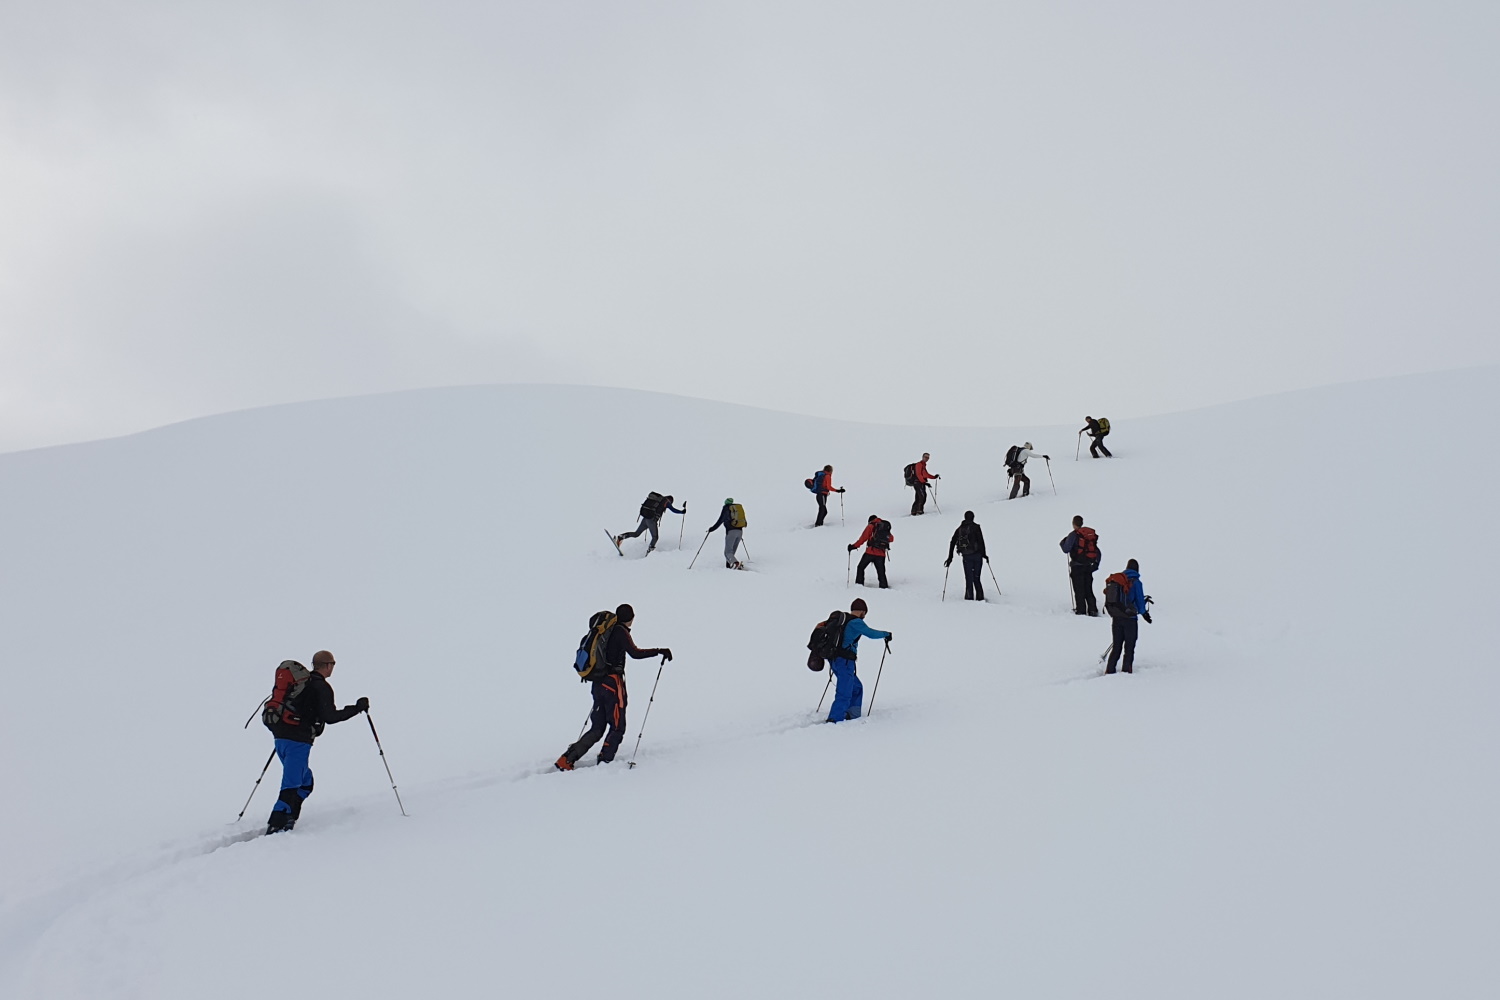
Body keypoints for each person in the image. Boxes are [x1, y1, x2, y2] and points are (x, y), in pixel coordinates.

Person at [556, 604, 672, 770]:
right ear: (631, 619)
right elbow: (635, 653)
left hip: (598, 683)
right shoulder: (620, 632)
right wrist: (659, 651)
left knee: (597, 727)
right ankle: (605, 763)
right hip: (612, 684)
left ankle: (566, 759)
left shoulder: (607, 631)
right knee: (618, 726)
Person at [266, 650, 368, 834]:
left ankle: (289, 818)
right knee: (292, 784)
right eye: (333, 664)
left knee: (306, 782)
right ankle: (276, 825)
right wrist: (357, 708)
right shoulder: (321, 687)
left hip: (281, 736)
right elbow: (330, 716)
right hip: (298, 740)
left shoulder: (302, 684)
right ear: (328, 665)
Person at [826, 597, 891, 723]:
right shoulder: (856, 622)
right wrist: (886, 634)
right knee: (844, 691)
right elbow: (871, 633)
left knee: (856, 687)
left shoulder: (842, 621)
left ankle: (852, 715)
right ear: (862, 611)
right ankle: (835, 719)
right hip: (844, 661)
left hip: (834, 659)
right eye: (865, 613)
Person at [1103, 558, 1151, 674]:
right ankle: (1126, 671)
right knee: (1129, 647)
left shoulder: (1118, 581)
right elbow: (1139, 601)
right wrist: (1145, 614)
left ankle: (1110, 670)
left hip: (1117, 617)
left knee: (1117, 646)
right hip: (1130, 619)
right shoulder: (1136, 582)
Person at [1059, 515, 1101, 616]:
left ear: (1073, 524)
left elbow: (1066, 549)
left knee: (1079, 590)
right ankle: (1093, 610)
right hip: (1088, 566)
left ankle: (1081, 611)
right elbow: (1098, 552)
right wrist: (1096, 564)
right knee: (1088, 589)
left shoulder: (1074, 535)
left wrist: (1062, 543)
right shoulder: (1089, 536)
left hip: (1077, 566)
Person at [616, 494, 685, 553]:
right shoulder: (666, 502)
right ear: (670, 500)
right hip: (651, 520)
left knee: (636, 533)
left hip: (645, 518)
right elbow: (673, 510)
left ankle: (620, 537)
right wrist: (682, 512)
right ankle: (650, 552)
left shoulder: (658, 500)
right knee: (655, 537)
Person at [944, 511, 988, 600]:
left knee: (969, 578)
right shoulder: (976, 527)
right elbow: (981, 542)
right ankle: (980, 598)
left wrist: (950, 558)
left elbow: (952, 542)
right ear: (973, 517)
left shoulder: (960, 529)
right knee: (976, 577)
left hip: (966, 556)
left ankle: (969, 598)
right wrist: (984, 555)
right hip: (977, 556)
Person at [848, 514, 893, 588]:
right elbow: (891, 539)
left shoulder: (871, 526)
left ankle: (859, 585)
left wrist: (853, 546)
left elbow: (863, 539)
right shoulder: (884, 527)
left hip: (870, 552)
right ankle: (884, 586)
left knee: (861, 567)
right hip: (881, 554)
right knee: (881, 572)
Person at [705, 497, 746, 569]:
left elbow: (720, 521)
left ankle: (736, 564)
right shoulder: (736, 510)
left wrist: (711, 529)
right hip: (740, 532)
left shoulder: (726, 509)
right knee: (732, 552)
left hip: (731, 532)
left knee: (727, 552)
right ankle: (729, 565)